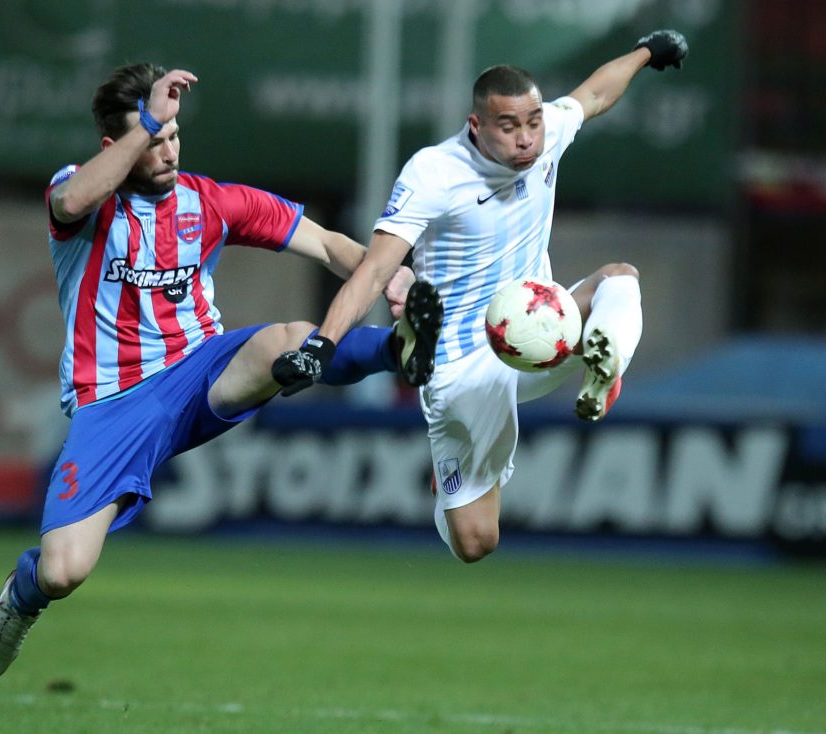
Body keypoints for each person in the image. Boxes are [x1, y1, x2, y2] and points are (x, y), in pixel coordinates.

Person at [0, 63, 443, 678]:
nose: (168, 150)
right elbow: (71, 201)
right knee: (64, 570)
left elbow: (329, 244)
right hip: (112, 403)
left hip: (199, 370)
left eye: (174, 136)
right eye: (153, 138)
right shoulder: (81, 195)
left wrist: (392, 277)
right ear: (117, 145)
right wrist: (147, 123)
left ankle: (398, 352)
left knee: (288, 341)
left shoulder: (211, 202)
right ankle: (21, 596)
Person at [272, 31, 689, 562]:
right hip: (461, 363)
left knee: (620, 279)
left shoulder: (547, 133)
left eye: (533, 123)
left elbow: (594, 94)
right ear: (477, 125)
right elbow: (375, 269)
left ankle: (604, 366)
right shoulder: (434, 173)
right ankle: (451, 479)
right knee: (476, 543)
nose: (526, 139)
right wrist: (322, 344)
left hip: (543, 330)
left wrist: (647, 52)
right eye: (509, 127)